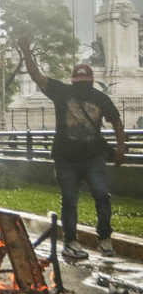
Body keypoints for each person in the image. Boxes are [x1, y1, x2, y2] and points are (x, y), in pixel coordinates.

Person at [19, 36, 127, 258]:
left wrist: (121, 148)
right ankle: (75, 242)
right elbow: (36, 76)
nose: (83, 87)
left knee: (96, 196)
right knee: (78, 199)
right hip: (68, 158)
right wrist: (26, 51)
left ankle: (102, 239)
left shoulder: (85, 95)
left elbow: (116, 122)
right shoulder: (69, 93)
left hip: (89, 157)